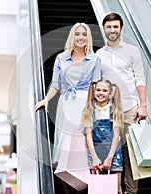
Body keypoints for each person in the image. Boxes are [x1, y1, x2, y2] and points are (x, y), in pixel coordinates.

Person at [35, 22, 101, 193]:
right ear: (72, 36)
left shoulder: (94, 59)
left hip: (84, 105)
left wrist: (93, 109)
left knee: (81, 150)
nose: (81, 37)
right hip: (66, 105)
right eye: (77, 34)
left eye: (84, 34)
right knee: (65, 152)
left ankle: (82, 188)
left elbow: (95, 86)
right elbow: (56, 84)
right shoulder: (61, 58)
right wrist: (46, 99)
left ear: (88, 38)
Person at [96, 13, 147, 194]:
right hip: (106, 110)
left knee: (129, 153)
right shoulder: (99, 54)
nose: (112, 30)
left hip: (129, 108)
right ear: (104, 29)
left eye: (115, 27)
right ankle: (109, 190)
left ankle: (131, 191)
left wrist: (143, 106)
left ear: (121, 28)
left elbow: (140, 79)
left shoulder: (132, 51)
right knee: (106, 151)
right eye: (109, 27)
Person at [82, 79, 124, 194]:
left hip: (113, 153)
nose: (101, 93)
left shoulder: (115, 111)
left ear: (110, 94)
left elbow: (116, 136)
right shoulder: (88, 111)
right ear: (94, 92)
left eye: (104, 91)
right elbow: (89, 136)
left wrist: (110, 158)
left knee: (116, 189)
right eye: (98, 90)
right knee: (98, 188)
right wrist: (95, 158)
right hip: (95, 152)